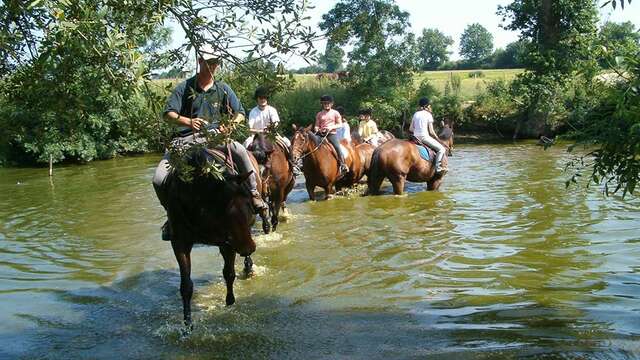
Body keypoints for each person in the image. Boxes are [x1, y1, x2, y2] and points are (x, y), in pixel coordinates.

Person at [152, 43, 267, 241]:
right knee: (159, 178)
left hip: (216, 137)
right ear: (200, 62)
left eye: (216, 63)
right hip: (186, 139)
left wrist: (230, 125)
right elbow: (168, 114)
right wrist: (188, 121)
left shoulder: (223, 88)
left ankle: (255, 194)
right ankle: (172, 216)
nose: (213, 66)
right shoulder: (184, 87)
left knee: (240, 151)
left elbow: (239, 112)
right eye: (209, 63)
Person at [409, 97, 447, 173]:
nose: (430, 107)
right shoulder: (428, 115)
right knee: (442, 149)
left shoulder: (416, 114)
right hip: (424, 137)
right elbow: (431, 131)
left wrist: (417, 130)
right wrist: (437, 138)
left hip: (415, 137)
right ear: (426, 106)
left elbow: (410, 129)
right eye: (429, 105)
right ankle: (438, 167)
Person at [314, 95, 348, 175]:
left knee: (337, 147)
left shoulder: (335, 113)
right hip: (320, 134)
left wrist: (331, 127)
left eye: (328, 103)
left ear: (331, 104)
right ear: (322, 104)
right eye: (324, 103)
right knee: (311, 145)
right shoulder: (319, 114)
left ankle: (343, 164)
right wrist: (316, 129)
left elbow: (340, 124)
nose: (326, 105)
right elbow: (316, 125)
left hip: (331, 134)